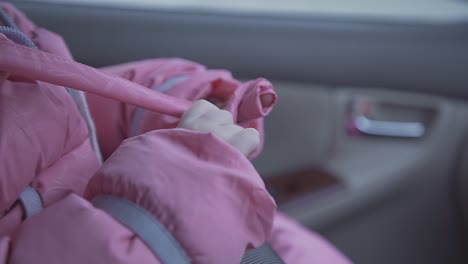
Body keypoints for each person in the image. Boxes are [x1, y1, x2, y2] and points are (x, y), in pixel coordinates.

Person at [0, 2, 351, 263]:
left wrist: (176, 100)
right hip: (141, 231)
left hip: (144, 213)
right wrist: (187, 174)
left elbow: (70, 112)